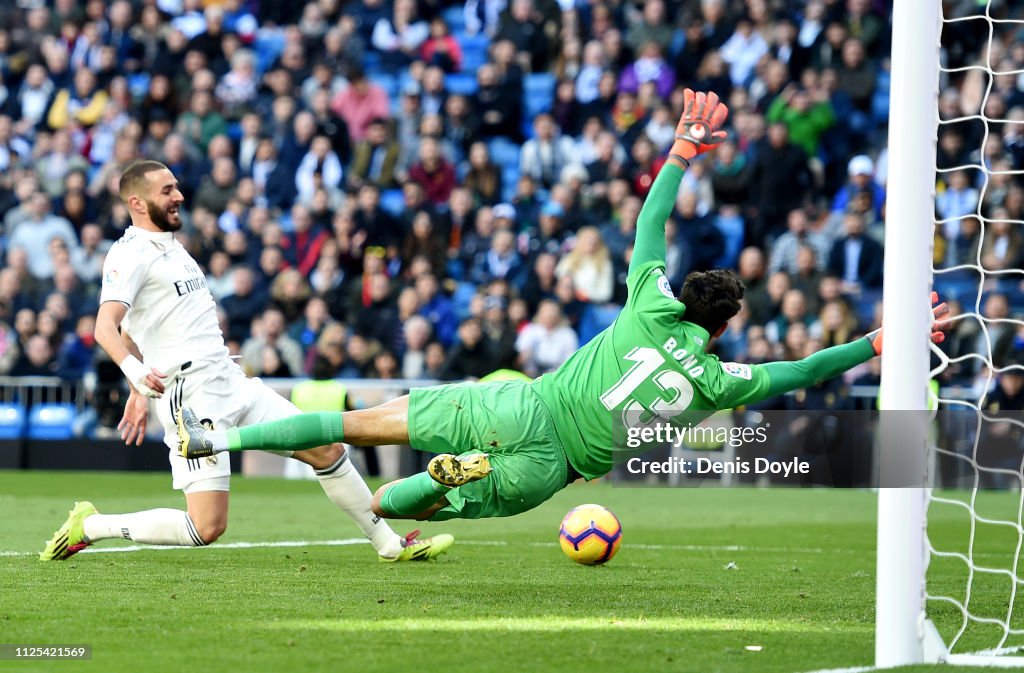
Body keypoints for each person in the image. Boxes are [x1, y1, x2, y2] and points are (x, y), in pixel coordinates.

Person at [175, 91, 947, 524]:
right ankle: (451, 478)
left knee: (352, 425)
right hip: (558, 463)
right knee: (393, 502)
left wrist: (681, 150)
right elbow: (807, 365)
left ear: (684, 297)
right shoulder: (722, 380)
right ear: (722, 329)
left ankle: (221, 438)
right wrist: (880, 342)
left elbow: (649, 224)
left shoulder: (649, 305)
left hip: (518, 402)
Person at [40, 160, 452, 562]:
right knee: (206, 527)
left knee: (325, 449)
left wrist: (135, 391)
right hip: (192, 401)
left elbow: (134, 328)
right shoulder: (128, 254)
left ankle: (390, 544)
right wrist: (135, 374)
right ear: (136, 202)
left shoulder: (173, 248)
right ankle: (91, 526)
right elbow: (106, 328)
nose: (179, 195)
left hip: (230, 379)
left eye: (176, 186)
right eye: (166, 190)